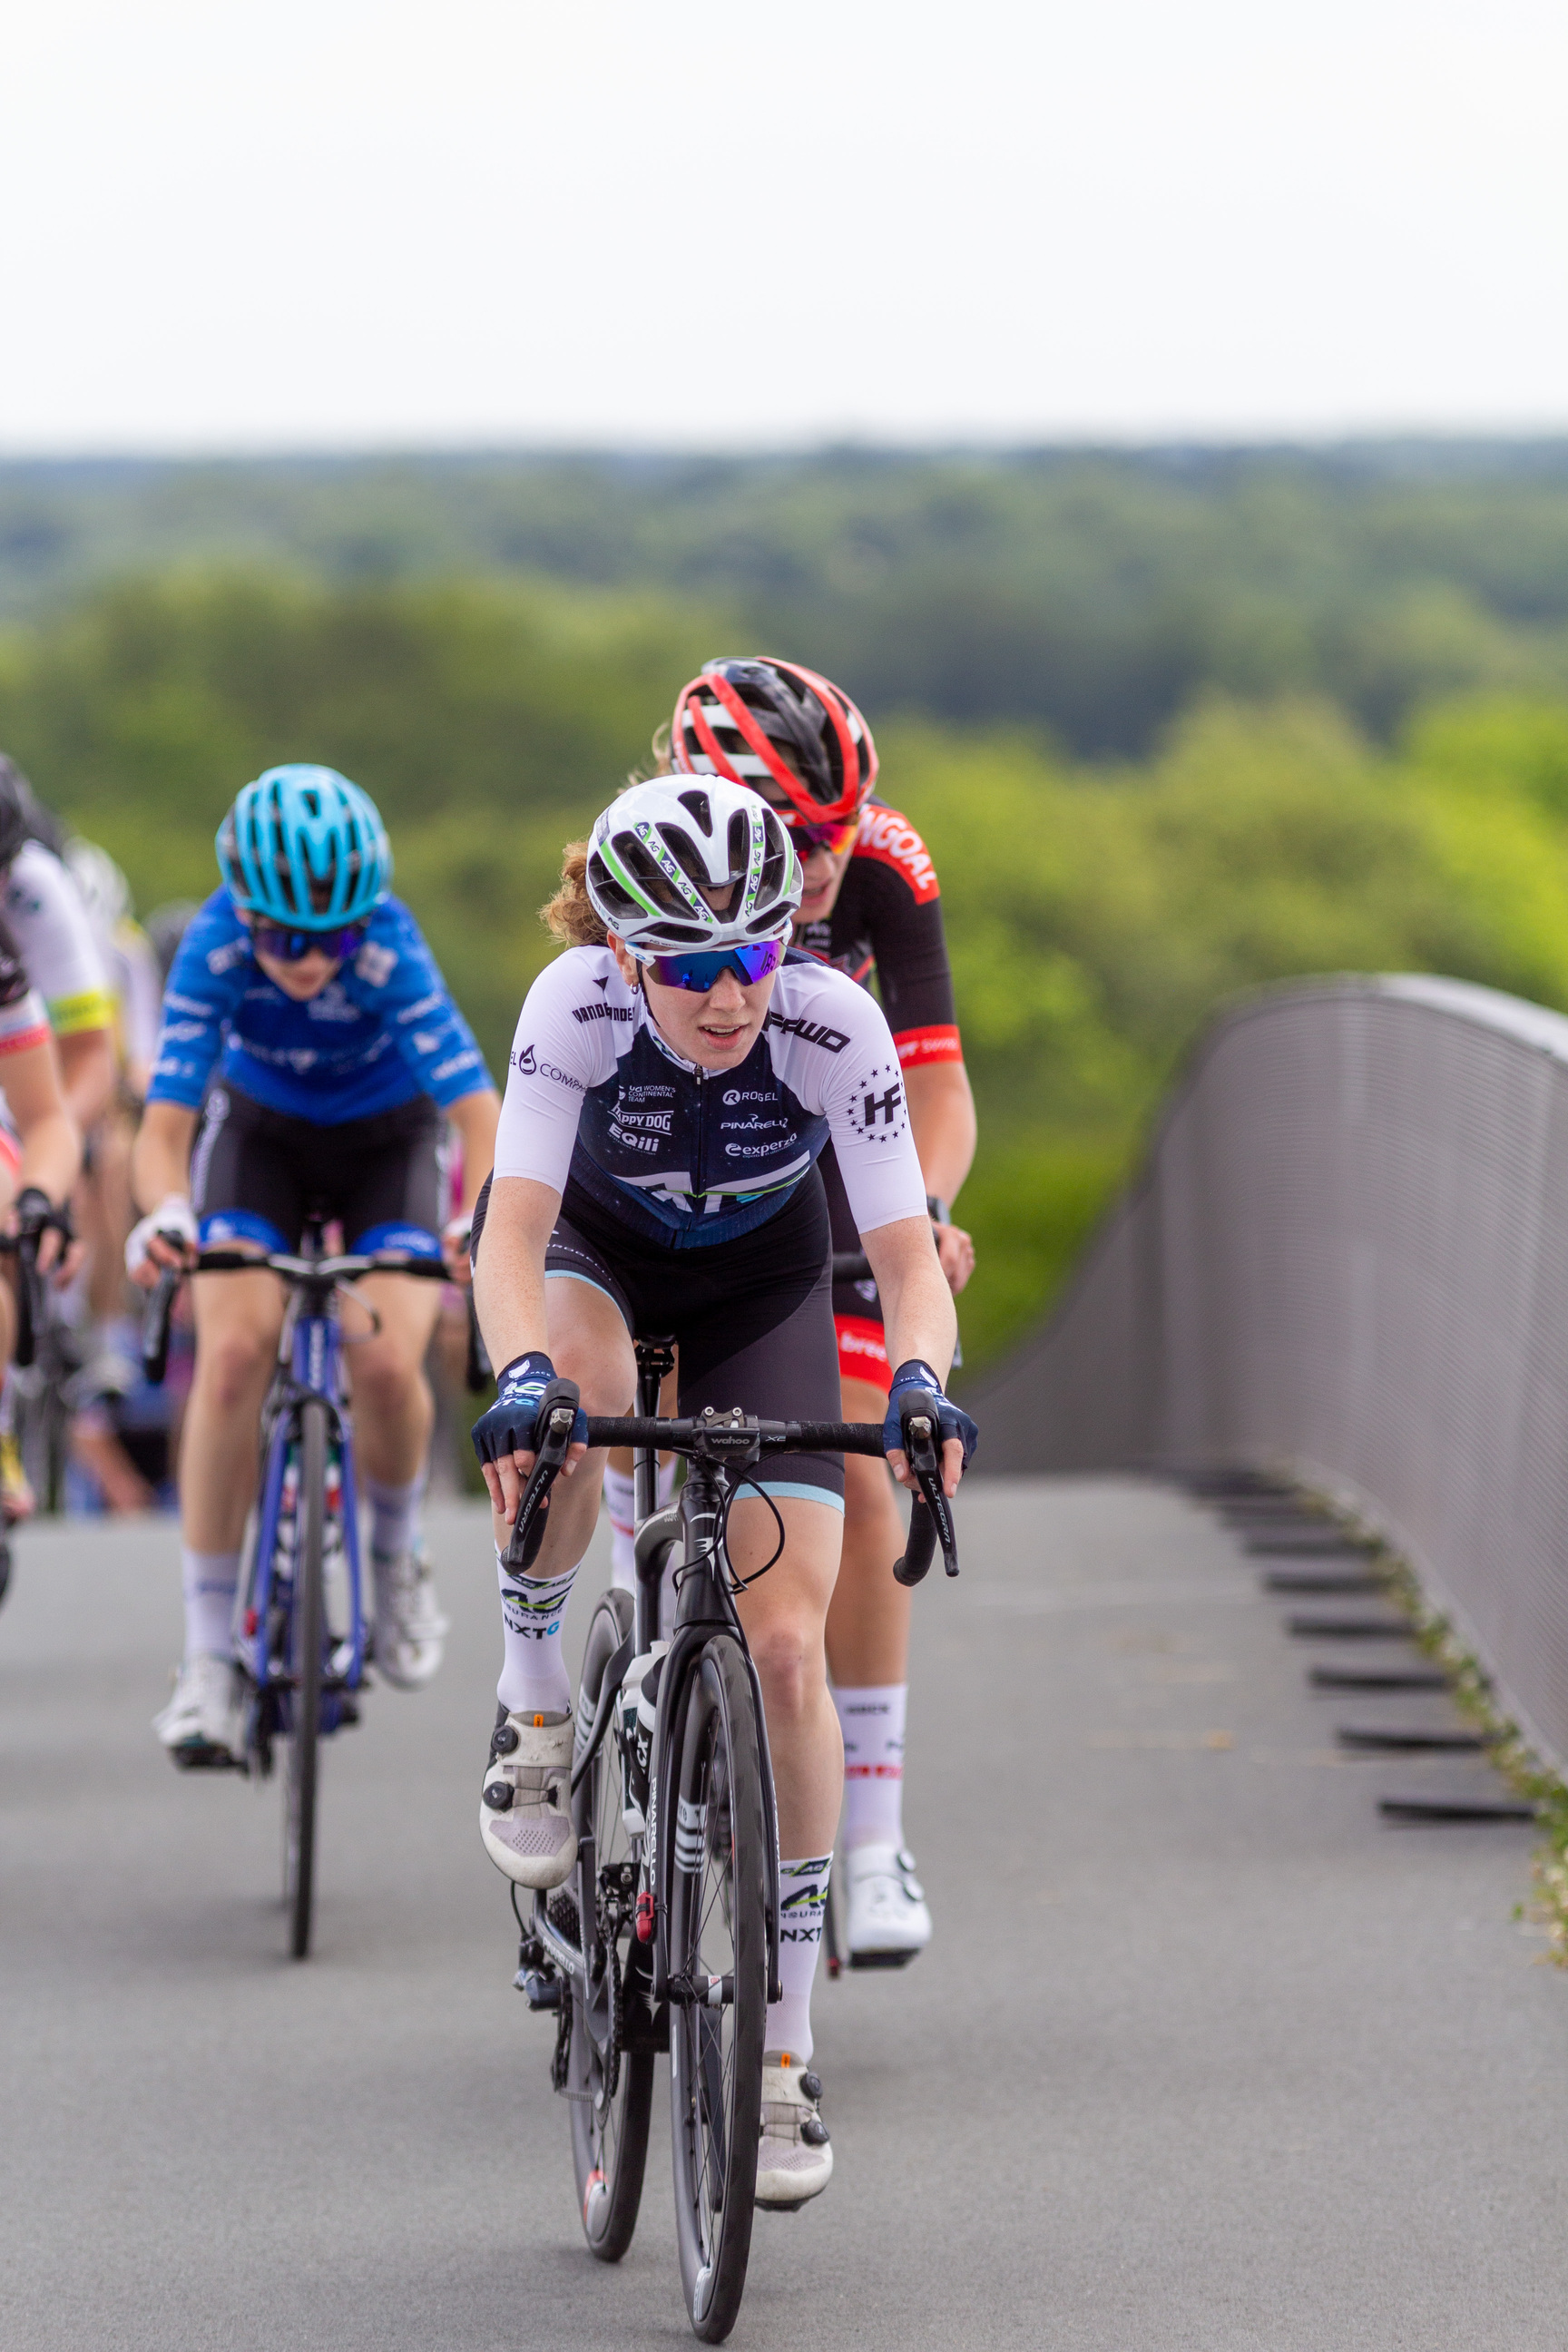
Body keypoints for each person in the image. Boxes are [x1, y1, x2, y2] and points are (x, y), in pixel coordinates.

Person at [469, 775, 976, 2206]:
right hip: (596, 1258)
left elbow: (903, 1261)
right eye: (687, 967)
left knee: (790, 1648)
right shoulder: (570, 1006)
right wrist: (519, 1370)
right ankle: (537, 1707)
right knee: (568, 1405)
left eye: (754, 955)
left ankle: (781, 2060)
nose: (725, 995)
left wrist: (920, 1386)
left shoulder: (831, 1019)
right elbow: (509, 1231)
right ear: (624, 954)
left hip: (764, 1282)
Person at [671, 657, 976, 1966]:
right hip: (677, 1173)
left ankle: (873, 1833)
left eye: (840, 833)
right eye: (799, 840)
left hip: (835, 1171)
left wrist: (922, 1212)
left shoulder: (889, 869)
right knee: (636, 1438)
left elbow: (939, 1090)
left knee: (862, 1479)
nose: (824, 866)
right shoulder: (662, 866)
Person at [127, 764, 500, 1763]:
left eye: (330, 938)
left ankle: (394, 1556)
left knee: (383, 1362)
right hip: (262, 1144)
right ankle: (208, 1658)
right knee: (235, 1355)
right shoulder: (212, 944)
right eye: (283, 937)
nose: (307, 961)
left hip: (389, 1145)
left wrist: (481, 1220)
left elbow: (477, 1115)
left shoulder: (390, 947)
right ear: (244, 915)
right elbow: (164, 1128)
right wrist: (164, 1210)